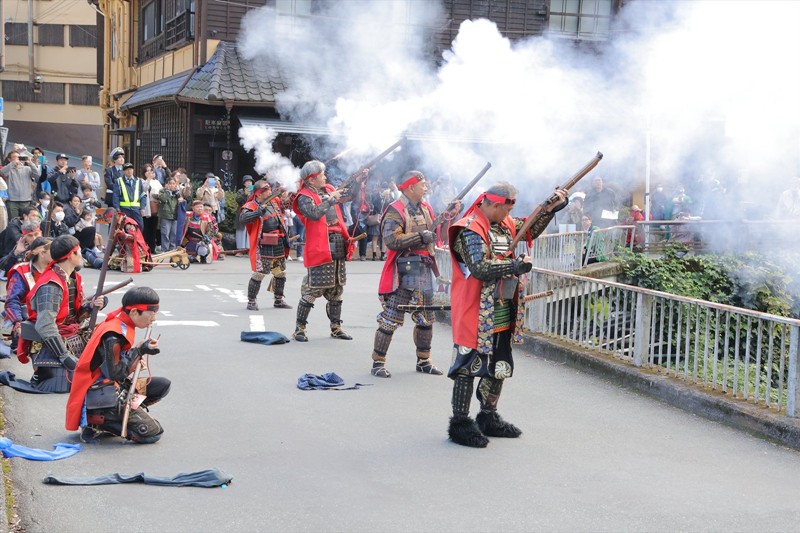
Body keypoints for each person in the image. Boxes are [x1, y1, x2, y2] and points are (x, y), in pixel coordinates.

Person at [446, 182, 568, 448]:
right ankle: (460, 422)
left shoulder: (504, 224)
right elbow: (479, 268)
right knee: (468, 365)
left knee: (500, 363)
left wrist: (551, 209)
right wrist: (514, 265)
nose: (509, 215)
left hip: (502, 306)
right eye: (506, 209)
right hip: (475, 307)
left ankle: (488, 415)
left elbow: (530, 227)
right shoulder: (469, 229)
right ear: (493, 204)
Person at [369, 171, 459, 378]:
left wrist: (449, 214)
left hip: (424, 269)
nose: (426, 188)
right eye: (423, 185)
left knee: (426, 318)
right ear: (410, 187)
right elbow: (391, 240)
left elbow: (434, 233)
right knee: (390, 319)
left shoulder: (426, 208)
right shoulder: (395, 210)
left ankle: (424, 361)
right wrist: (419, 237)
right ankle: (378, 363)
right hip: (403, 271)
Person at [66, 286, 169, 444]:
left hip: (113, 384)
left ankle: (120, 416)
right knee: (153, 433)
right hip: (99, 391)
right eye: (151, 313)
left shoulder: (120, 323)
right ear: (134, 312)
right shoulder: (113, 334)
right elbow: (114, 373)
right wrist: (139, 351)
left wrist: (137, 353)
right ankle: (102, 421)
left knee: (162, 385)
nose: (153, 318)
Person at [19, 235, 106, 392]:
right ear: (71, 255)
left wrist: (91, 307)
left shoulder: (72, 278)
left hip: (72, 333)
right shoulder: (51, 285)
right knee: (69, 384)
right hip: (51, 342)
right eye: (79, 251)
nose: (82, 255)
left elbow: (73, 315)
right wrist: (64, 355)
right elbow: (45, 325)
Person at [291, 160, 364, 342]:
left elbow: (349, 196)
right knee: (312, 289)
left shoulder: (329, 189)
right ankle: (299, 328)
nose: (325, 177)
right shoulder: (304, 197)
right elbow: (314, 214)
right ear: (312, 179)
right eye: (322, 175)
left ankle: (336, 327)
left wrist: (358, 181)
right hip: (320, 245)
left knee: (337, 289)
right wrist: (331, 199)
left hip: (337, 243)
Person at [240, 180, 292, 311]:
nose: (269, 192)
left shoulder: (274, 201)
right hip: (263, 243)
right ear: (258, 193)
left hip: (278, 241)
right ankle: (251, 301)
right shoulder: (251, 205)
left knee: (280, 272)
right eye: (266, 190)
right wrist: (258, 212)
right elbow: (243, 218)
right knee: (259, 273)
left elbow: (285, 204)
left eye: (269, 189)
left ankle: (278, 299)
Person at [3, 237, 52, 351]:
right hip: (26, 317)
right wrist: (18, 323)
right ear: (42, 253)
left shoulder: (56, 270)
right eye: (53, 250)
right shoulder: (21, 271)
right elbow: (11, 301)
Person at [0, 150, 40, 220]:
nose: (17, 159)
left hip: (26, 201)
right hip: (12, 201)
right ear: (9, 159)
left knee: (26, 221)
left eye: (18, 157)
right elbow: (2, 172)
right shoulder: (8, 169)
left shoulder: (27, 168)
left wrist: (30, 163)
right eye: (14, 157)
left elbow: (38, 175)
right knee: (13, 221)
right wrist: (13, 163)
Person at [113, 162, 147, 230]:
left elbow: (143, 195)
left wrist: (142, 208)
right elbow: (116, 196)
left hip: (136, 209)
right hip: (124, 209)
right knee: (124, 228)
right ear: (124, 171)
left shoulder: (138, 181)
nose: (129, 171)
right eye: (127, 169)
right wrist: (117, 208)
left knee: (140, 227)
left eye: (131, 169)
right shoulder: (119, 181)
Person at [157, 177, 183, 252]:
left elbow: (182, 201)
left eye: (173, 183)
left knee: (174, 234)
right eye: (170, 183)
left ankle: (172, 249)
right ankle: (165, 250)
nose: (172, 185)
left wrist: (180, 199)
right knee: (165, 233)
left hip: (175, 216)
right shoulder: (162, 191)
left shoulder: (177, 193)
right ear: (166, 184)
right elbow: (163, 199)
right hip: (166, 215)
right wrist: (168, 192)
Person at [235, 176, 255, 253]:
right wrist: (244, 194)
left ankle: (249, 249)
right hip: (242, 212)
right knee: (241, 231)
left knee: (250, 230)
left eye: (250, 181)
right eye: (247, 181)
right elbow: (238, 200)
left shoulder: (254, 191)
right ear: (244, 183)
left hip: (251, 212)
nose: (249, 183)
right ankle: (240, 249)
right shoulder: (241, 191)